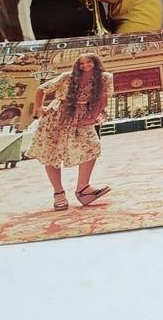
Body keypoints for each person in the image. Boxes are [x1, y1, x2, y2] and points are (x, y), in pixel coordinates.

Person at [26, 54, 114, 211]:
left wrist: (91, 118)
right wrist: (39, 107)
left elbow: (103, 100)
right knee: (50, 152)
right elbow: (41, 89)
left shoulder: (105, 77)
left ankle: (83, 189)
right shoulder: (67, 76)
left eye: (88, 62)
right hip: (57, 115)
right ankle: (59, 194)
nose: (85, 65)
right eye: (81, 63)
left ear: (96, 62)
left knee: (92, 147)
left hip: (81, 115)